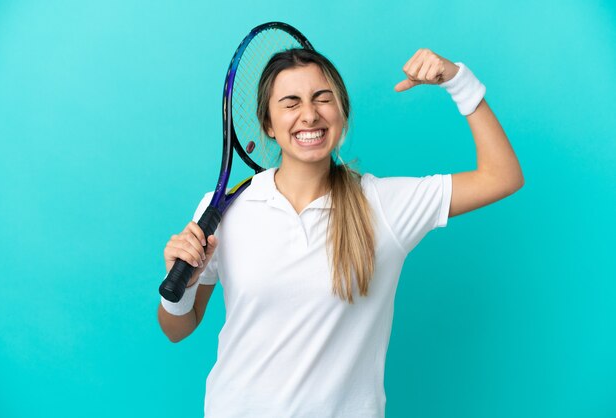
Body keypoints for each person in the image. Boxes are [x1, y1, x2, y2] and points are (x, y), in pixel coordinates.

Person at [157, 47, 524, 417]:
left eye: (322, 98)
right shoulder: (223, 209)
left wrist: (458, 81)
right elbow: (177, 329)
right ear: (268, 123)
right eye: (290, 103)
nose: (309, 114)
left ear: (342, 112)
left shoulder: (384, 205)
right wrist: (182, 290)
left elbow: (502, 176)